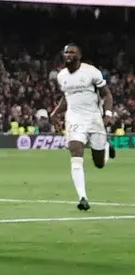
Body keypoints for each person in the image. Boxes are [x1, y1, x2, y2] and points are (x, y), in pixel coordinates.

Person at [52, 44, 115, 211]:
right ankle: (83, 197)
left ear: (79, 56)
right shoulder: (61, 76)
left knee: (99, 163)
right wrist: (54, 114)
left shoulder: (91, 72)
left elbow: (106, 94)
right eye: (66, 52)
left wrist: (108, 113)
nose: (68, 55)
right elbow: (67, 99)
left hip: (94, 118)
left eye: (72, 52)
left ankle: (106, 147)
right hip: (74, 119)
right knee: (75, 151)